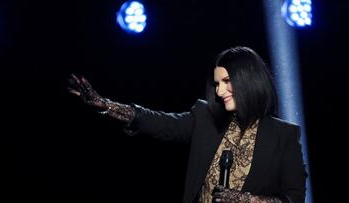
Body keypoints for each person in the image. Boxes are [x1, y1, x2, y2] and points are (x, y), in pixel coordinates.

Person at [67, 46, 307, 203]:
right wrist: (106, 105)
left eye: (226, 81)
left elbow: (294, 200)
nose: (220, 90)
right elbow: (159, 122)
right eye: (216, 83)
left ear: (248, 79)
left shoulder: (284, 135)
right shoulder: (206, 118)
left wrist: (249, 200)